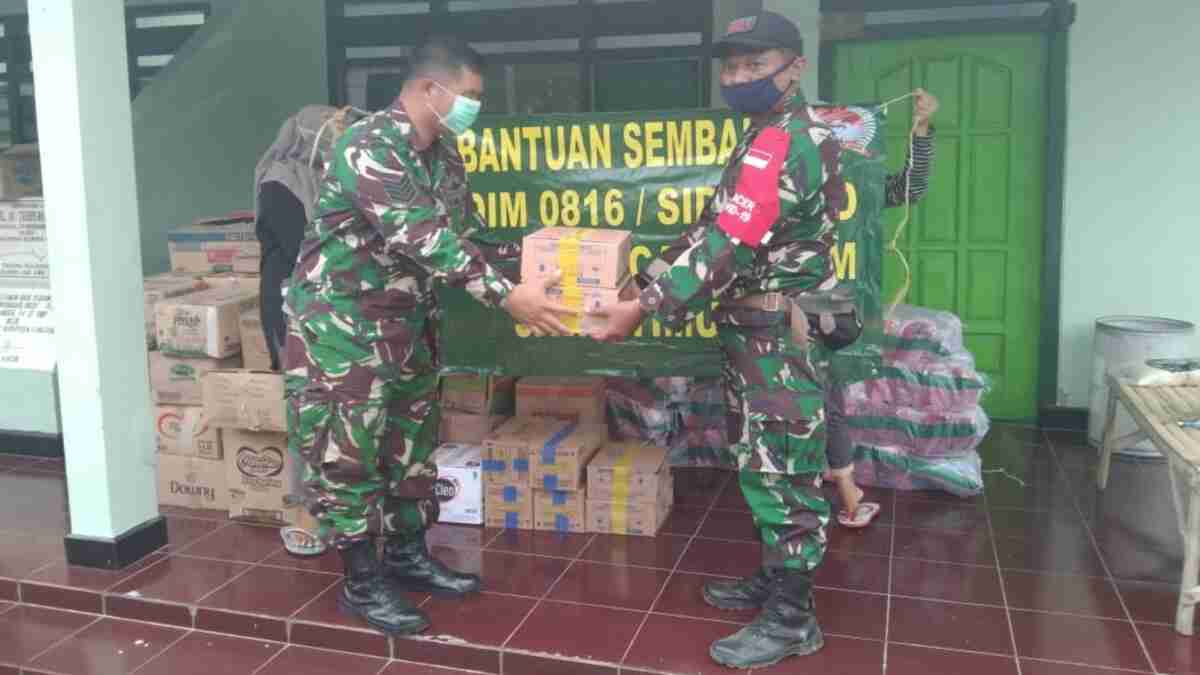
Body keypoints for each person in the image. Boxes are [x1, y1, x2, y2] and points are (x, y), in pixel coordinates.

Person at [283, 36, 575, 636]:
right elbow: (424, 240)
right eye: (468, 96)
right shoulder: (369, 146)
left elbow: (465, 234)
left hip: (408, 324)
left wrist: (537, 255)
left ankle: (408, 556)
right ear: (428, 89)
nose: (473, 108)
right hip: (344, 331)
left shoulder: (442, 154)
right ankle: (363, 583)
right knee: (349, 454)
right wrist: (506, 295)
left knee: (410, 446)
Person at [590, 11, 847, 669]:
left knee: (783, 468)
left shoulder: (784, 141)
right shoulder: (766, 134)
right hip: (753, 333)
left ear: (795, 66)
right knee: (760, 460)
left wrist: (640, 307)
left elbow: (725, 243)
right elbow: (711, 225)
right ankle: (773, 577)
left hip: (777, 340)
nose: (737, 77)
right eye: (730, 66)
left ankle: (792, 617)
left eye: (753, 64)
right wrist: (642, 277)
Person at [820, 88, 940, 529]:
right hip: (785, 300)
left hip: (831, 304)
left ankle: (846, 491)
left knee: (827, 392)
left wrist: (921, 129)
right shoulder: (783, 175)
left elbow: (913, 186)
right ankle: (842, 491)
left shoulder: (861, 181)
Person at [254, 105, 364, 558]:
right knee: (307, 413)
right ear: (310, 138)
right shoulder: (281, 181)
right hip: (293, 308)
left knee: (338, 410)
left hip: (333, 308)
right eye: (333, 137)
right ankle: (305, 513)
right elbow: (310, 245)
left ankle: (340, 508)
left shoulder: (326, 177)